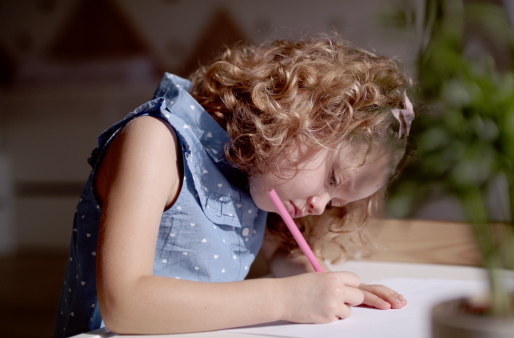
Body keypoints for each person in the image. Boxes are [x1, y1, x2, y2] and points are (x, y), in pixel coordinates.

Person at [55, 35, 415, 337]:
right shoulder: (155, 142)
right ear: (302, 114)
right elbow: (124, 305)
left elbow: (280, 253)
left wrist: (330, 289)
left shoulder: (255, 174)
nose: (320, 206)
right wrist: (285, 299)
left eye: (335, 202)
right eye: (332, 179)